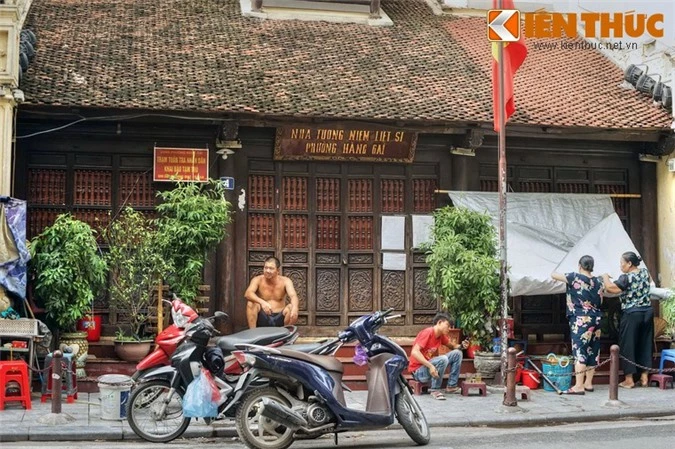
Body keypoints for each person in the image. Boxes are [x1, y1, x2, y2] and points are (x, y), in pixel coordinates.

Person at [551, 255, 604, 394]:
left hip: (581, 319)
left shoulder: (574, 277)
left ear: (580, 265)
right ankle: (588, 383)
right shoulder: (599, 281)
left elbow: (553, 275)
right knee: (593, 350)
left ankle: (579, 386)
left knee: (580, 350)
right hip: (597, 318)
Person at [601, 251, 653, 388]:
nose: (620, 266)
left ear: (629, 264)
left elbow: (611, 288)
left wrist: (605, 277)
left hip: (632, 313)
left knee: (627, 345)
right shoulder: (645, 273)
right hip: (647, 311)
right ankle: (644, 377)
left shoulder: (626, 278)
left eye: (622, 263)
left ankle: (629, 380)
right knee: (645, 344)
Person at [408, 311, 468, 400]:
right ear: (439, 322)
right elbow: (415, 352)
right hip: (418, 372)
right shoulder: (428, 332)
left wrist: (462, 346)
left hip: (428, 367)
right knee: (443, 359)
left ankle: (451, 386)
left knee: (457, 353)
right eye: (448, 325)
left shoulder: (441, 336)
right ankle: (435, 389)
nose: (449, 328)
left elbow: (453, 346)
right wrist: (431, 366)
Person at [245, 256, 299, 328]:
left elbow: (293, 296)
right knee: (251, 303)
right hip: (263, 317)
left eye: (271, 268)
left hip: (280, 318)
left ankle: (285, 334)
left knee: (292, 307)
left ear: (278, 270)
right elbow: (248, 293)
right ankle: (253, 334)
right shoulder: (257, 280)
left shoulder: (285, 281)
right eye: (266, 267)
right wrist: (262, 302)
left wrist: (295, 308)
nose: (267, 270)